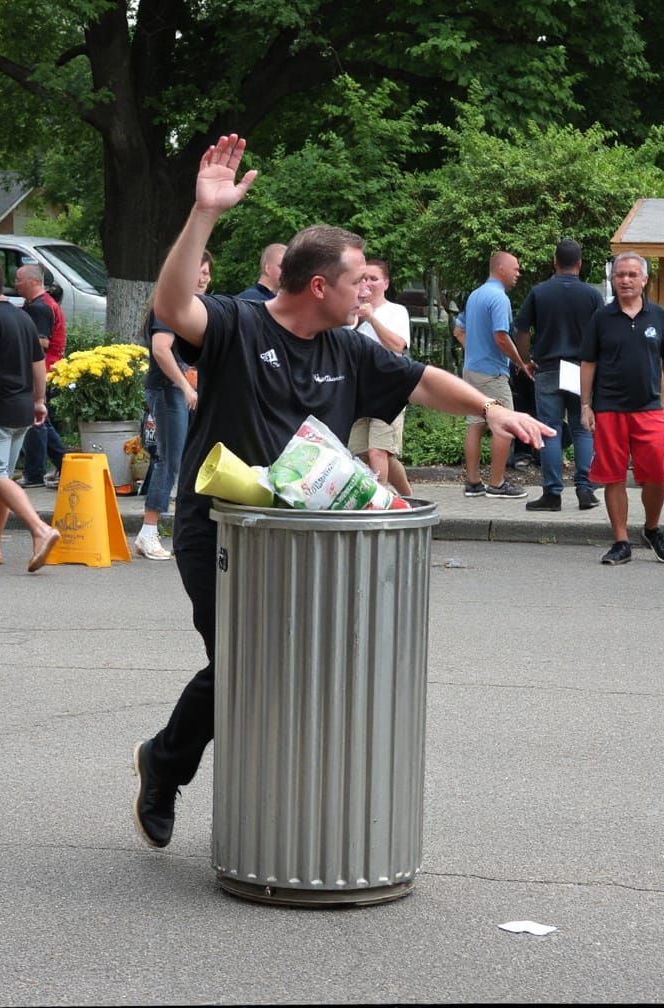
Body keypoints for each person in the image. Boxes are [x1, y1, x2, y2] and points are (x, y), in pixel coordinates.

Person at [130, 133, 554, 850]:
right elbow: (173, 305)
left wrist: (490, 409)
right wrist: (204, 214)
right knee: (242, 665)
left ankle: (292, 813)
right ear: (318, 285)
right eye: (359, 279)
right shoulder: (236, 323)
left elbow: (421, 381)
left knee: (292, 669)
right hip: (225, 531)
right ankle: (167, 765)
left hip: (316, 535)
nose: (370, 289)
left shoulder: (351, 348)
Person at [580, 252, 664, 565]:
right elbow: (588, 362)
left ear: (644, 280)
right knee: (613, 476)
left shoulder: (659, 316)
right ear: (613, 279)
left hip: (649, 408)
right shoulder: (601, 318)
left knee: (656, 476)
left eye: (631, 275)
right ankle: (621, 541)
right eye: (620, 274)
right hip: (609, 408)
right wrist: (585, 404)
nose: (625, 280)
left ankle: (651, 529)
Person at [0, 256, 61, 573]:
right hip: (22, 410)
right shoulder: (23, 318)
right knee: (1, 479)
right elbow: (37, 363)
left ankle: (39, 529)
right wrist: (39, 400)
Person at [514, 238, 604, 511]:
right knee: (582, 428)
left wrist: (525, 360)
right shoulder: (591, 295)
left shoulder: (539, 292)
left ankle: (552, 493)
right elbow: (602, 334)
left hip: (549, 367)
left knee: (550, 430)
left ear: (555, 262)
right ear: (579, 264)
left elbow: (521, 329)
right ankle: (585, 489)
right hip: (581, 369)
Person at [133, 252, 210, 560]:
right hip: (168, 391)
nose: (203, 277)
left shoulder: (193, 308)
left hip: (182, 391)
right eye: (197, 271)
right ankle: (148, 532)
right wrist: (184, 386)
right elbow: (161, 350)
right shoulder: (168, 307)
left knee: (185, 460)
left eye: (206, 272)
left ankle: (180, 530)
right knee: (169, 461)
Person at [452, 251, 532, 499]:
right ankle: (497, 484)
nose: (518, 273)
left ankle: (474, 483)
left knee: (475, 424)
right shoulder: (499, 298)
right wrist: (520, 362)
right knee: (505, 425)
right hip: (492, 374)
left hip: (472, 370)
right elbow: (501, 336)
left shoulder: (475, 295)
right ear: (501, 268)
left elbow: (458, 330)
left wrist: (474, 350)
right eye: (515, 268)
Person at [347, 258, 413, 496]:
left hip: (389, 392)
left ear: (385, 283)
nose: (368, 283)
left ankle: (380, 502)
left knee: (378, 451)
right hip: (359, 394)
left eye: (374, 278)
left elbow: (398, 346)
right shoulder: (351, 313)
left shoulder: (396, 311)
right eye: (363, 278)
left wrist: (372, 318)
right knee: (363, 452)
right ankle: (408, 497)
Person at [15, 262, 67, 488]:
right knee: (41, 421)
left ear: (34, 281)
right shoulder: (41, 304)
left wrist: (13, 338)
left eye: (18, 279)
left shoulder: (40, 307)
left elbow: (43, 341)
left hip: (43, 368)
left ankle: (35, 473)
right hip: (48, 368)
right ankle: (63, 465)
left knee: (35, 420)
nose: (15, 284)